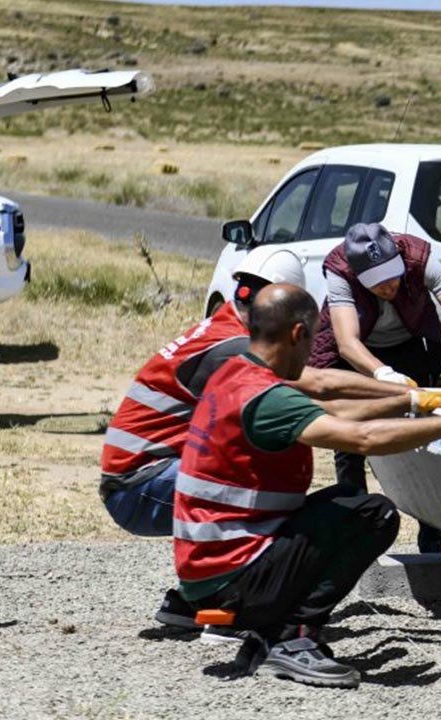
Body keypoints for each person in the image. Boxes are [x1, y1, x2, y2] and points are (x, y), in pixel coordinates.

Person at [175, 283, 441, 689]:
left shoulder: (237, 373)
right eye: (312, 340)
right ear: (297, 334)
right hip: (231, 584)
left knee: (345, 500)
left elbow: (330, 403)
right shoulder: (267, 398)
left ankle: (270, 630)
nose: (311, 355)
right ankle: (293, 638)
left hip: (209, 573)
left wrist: (413, 401)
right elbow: (363, 438)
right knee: (375, 514)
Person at [99, 247, 416, 630]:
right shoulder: (235, 346)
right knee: (267, 489)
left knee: (264, 465)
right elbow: (317, 385)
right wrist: (396, 388)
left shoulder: (224, 325)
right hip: (139, 485)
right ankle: (255, 610)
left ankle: (193, 600)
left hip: (141, 476)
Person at [308, 222, 441, 554]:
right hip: (362, 355)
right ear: (360, 277)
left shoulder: (419, 257)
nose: (390, 285)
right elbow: (347, 342)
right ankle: (355, 536)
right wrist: (381, 373)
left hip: (410, 345)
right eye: (378, 283)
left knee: (425, 434)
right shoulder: (340, 271)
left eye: (393, 275)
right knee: (348, 440)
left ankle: (431, 536)